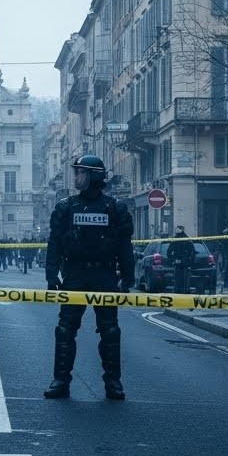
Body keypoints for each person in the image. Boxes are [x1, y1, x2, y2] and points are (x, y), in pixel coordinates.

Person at [42, 155, 134, 401]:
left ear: (94, 176)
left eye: (80, 173)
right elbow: (55, 243)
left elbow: (125, 246)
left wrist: (127, 277)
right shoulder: (65, 207)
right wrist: (51, 275)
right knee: (65, 330)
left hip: (104, 274)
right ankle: (61, 380)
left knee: (110, 331)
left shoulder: (115, 208)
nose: (76, 178)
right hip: (74, 274)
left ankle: (113, 382)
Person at [169, 226, 196, 294]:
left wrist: (173, 260)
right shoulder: (186, 240)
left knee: (181, 281)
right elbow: (193, 252)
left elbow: (192, 252)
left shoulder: (183, 240)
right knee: (182, 281)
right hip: (182, 264)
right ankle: (182, 292)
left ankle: (181, 292)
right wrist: (173, 260)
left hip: (183, 264)